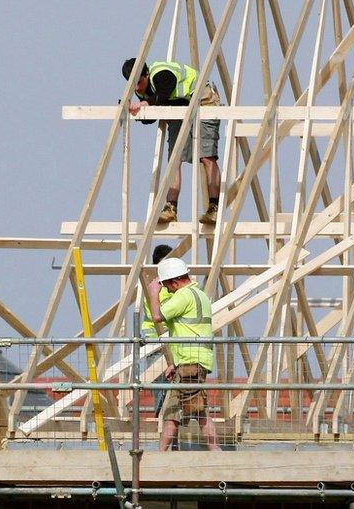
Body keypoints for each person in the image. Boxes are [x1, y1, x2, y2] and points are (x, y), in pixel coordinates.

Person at [122, 58, 222, 225]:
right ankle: (170, 208)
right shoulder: (141, 88)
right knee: (175, 159)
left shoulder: (161, 74)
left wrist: (144, 104)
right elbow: (152, 116)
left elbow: (163, 94)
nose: (137, 88)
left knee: (206, 157)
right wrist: (138, 111)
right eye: (133, 85)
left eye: (139, 82)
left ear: (146, 74)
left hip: (203, 100)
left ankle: (214, 208)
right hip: (179, 106)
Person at [148, 257, 219, 451]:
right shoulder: (200, 295)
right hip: (192, 362)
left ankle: (159, 457)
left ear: (175, 282)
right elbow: (188, 330)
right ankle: (216, 453)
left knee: (182, 412)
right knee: (193, 410)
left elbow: (157, 316)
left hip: (190, 363)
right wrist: (174, 364)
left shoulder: (183, 295)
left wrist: (153, 293)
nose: (167, 291)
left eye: (166, 286)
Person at [140, 243, 175, 414]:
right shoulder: (156, 286)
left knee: (167, 386)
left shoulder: (164, 284)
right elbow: (157, 313)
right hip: (155, 341)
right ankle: (160, 419)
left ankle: (164, 419)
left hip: (167, 340)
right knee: (161, 387)